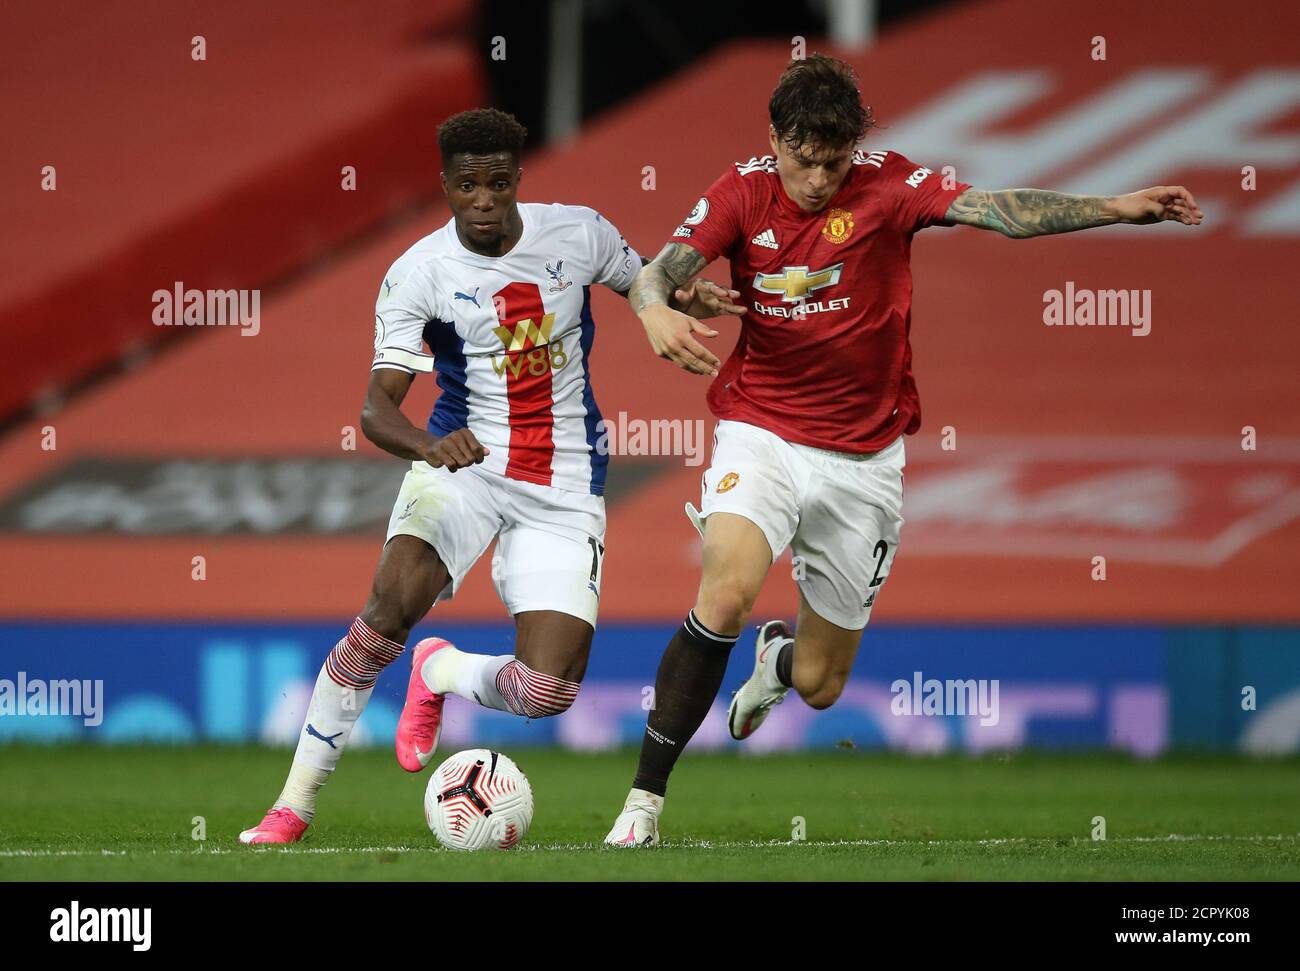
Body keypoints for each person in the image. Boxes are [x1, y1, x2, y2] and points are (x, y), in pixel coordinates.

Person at [605, 54, 1202, 846]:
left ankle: (776, 663)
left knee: (820, 684)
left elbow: (997, 209)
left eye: (835, 160)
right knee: (726, 590)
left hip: (865, 460)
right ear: (774, 139)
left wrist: (1118, 208)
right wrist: (654, 313)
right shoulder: (739, 192)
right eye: (805, 159)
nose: (819, 178)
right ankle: (643, 805)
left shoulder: (890, 183)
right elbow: (658, 274)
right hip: (764, 430)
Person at [239, 108, 740, 845]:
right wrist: (424, 445)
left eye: (498, 183)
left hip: (564, 479)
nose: (483, 200)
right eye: (468, 185)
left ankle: (443, 671)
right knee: (384, 614)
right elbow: (376, 408)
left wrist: (671, 299)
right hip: (460, 460)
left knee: (548, 692)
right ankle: (293, 805)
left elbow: (642, 282)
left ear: (517, 180)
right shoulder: (418, 272)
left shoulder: (578, 232)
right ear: (444, 184)